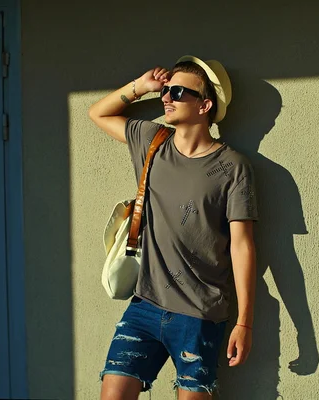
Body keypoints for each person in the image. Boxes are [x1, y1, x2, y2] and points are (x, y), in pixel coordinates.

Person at [89, 55, 258, 400]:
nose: (166, 98)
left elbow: (242, 246)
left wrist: (244, 322)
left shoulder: (233, 167)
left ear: (204, 105)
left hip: (199, 315)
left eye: (178, 92)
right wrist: (141, 87)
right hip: (145, 304)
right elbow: (98, 113)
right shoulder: (152, 140)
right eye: (166, 90)